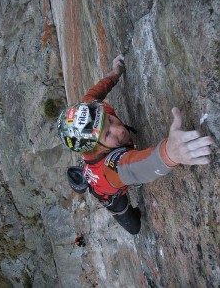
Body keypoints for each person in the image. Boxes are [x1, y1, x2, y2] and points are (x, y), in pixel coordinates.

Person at [57, 54, 213, 235]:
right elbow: (132, 169)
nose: (119, 130)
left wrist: (114, 74)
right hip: (109, 194)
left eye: (110, 120)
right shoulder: (109, 170)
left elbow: (93, 94)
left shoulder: (95, 114)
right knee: (134, 228)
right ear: (96, 148)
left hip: (96, 164)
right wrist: (169, 154)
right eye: (107, 134)